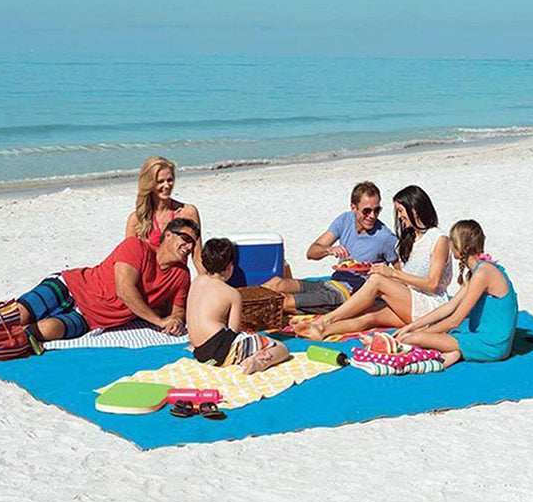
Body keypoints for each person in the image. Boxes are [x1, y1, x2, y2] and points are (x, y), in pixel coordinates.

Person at [0, 218, 199, 343]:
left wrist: (175, 318)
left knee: (43, 332)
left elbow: (178, 308)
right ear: (167, 235)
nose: (188, 246)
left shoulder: (181, 276)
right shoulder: (137, 247)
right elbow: (125, 290)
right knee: (21, 314)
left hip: (89, 318)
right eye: (184, 239)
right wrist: (158, 320)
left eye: (193, 242)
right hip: (71, 286)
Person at [293, 186, 452, 339]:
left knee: (376, 281)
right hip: (411, 301)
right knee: (368, 317)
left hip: (431, 306)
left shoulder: (439, 239)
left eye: (400, 211)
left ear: (414, 210)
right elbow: (407, 279)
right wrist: (383, 273)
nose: (400, 217)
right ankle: (321, 330)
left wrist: (391, 274)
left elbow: (432, 284)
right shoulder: (410, 239)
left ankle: (325, 320)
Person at [393, 219, 518, 369]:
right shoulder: (478, 271)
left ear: (459, 246)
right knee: (418, 334)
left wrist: (419, 335)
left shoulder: (483, 273)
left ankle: (396, 347)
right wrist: (412, 326)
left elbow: (455, 320)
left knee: (415, 338)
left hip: (490, 345)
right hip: (485, 340)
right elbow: (450, 306)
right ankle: (450, 355)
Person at [262, 181, 398, 314]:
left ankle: (245, 316)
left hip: (348, 295)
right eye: (367, 211)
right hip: (332, 282)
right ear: (353, 208)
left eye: (377, 210)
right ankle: (243, 301)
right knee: (276, 283)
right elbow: (311, 252)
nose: (372, 216)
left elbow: (400, 273)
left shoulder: (385, 237)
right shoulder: (345, 220)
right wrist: (329, 250)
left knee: (282, 302)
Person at [186, 238, 290, 374]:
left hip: (200, 352)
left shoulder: (196, 281)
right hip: (221, 352)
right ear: (230, 267)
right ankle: (258, 363)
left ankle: (249, 355)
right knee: (281, 348)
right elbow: (233, 331)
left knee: (248, 341)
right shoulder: (231, 293)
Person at [125, 155, 204, 273]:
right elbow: (129, 263)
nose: (166, 186)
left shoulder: (188, 212)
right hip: (148, 284)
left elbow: (197, 258)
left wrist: (208, 284)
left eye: (170, 180)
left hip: (178, 280)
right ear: (149, 184)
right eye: (160, 181)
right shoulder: (136, 219)